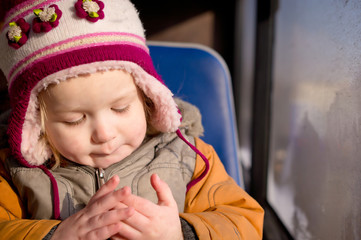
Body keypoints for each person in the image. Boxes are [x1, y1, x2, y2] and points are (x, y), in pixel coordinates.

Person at [0, 0, 264, 239]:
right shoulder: (14, 174)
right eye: (74, 120)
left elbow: (245, 221)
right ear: (35, 124)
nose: (104, 134)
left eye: (121, 108)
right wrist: (56, 235)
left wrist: (181, 233)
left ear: (147, 97)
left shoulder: (188, 157)